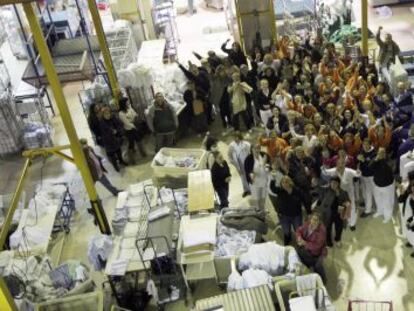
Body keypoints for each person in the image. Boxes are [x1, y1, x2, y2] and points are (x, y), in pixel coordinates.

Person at [322, 158, 361, 231]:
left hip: (349, 194)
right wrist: (324, 168)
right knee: (340, 208)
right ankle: (342, 222)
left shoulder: (349, 171)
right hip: (339, 194)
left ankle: (352, 224)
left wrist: (358, 172)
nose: (340, 165)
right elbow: (325, 172)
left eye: (342, 163)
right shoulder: (334, 170)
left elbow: (357, 174)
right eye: (339, 163)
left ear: (344, 164)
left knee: (351, 208)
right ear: (336, 164)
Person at [269, 175, 305, 245]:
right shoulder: (280, 191)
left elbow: (304, 199)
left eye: (286, 182)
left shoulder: (297, 191)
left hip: (296, 215)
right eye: (283, 182)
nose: (285, 184)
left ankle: (299, 242)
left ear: (290, 182)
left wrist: (308, 210)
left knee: (298, 230)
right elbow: (272, 188)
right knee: (286, 231)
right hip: (284, 216)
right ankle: (287, 241)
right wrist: (272, 179)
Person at [317, 177, 351, 247]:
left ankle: (337, 239)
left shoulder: (343, 192)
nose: (333, 185)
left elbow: (348, 201)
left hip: (339, 212)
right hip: (328, 213)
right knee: (327, 227)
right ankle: (328, 241)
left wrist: (342, 199)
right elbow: (321, 199)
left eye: (335, 183)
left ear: (338, 184)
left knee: (339, 228)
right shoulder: (326, 190)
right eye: (331, 183)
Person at [296, 213, 327, 283]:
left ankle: (323, 280)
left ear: (319, 221)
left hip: (318, 253)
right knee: (303, 259)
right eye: (312, 219)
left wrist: (304, 243)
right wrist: (299, 237)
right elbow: (299, 230)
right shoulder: (307, 224)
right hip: (307, 250)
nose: (313, 222)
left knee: (318, 267)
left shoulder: (322, 231)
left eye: (316, 220)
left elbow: (317, 246)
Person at [370, 147, 395, 223]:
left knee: (387, 202)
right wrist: (376, 159)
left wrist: (383, 159)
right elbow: (370, 167)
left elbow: (389, 170)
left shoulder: (389, 161)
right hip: (377, 185)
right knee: (378, 200)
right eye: (379, 152)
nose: (381, 154)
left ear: (385, 153)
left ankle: (388, 216)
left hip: (387, 186)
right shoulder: (375, 160)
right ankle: (380, 211)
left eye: (382, 153)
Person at [99, 106, 127, 172]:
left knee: (118, 151)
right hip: (109, 142)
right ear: (103, 115)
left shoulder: (113, 118)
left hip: (116, 140)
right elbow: (104, 133)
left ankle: (121, 161)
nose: (108, 115)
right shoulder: (102, 123)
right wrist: (112, 132)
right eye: (106, 114)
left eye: (108, 113)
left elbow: (119, 124)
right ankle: (116, 166)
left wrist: (117, 131)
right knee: (112, 156)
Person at [245, 144, 271, 210]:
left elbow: (268, 165)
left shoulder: (263, 155)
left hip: (264, 180)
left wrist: (266, 167)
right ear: (251, 149)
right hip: (255, 182)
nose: (257, 150)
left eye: (258, 148)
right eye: (255, 148)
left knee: (264, 196)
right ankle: (258, 209)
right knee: (257, 197)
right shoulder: (248, 159)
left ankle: (263, 208)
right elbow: (249, 172)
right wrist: (262, 164)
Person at [228, 131, 251, 197]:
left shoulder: (246, 144)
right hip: (239, 165)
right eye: (235, 137)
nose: (236, 139)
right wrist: (235, 165)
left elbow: (251, 153)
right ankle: (246, 190)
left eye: (237, 137)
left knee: (250, 176)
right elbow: (229, 156)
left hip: (247, 163)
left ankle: (252, 189)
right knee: (243, 178)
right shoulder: (231, 146)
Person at [357, 138, 376, 217]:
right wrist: (358, 167)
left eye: (367, 145)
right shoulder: (362, 151)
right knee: (363, 190)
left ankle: (368, 210)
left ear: (370, 145)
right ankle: (365, 202)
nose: (365, 146)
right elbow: (359, 162)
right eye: (364, 144)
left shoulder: (374, 153)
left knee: (368, 193)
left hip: (370, 176)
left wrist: (364, 160)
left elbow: (371, 167)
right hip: (362, 175)